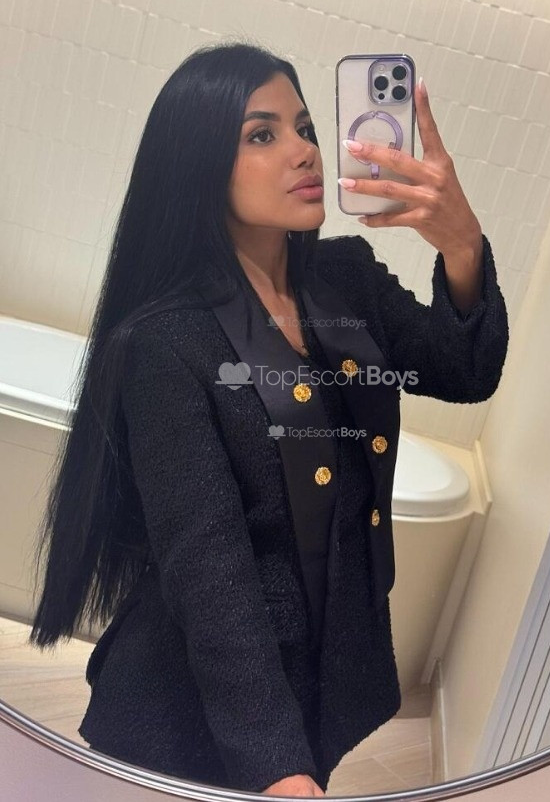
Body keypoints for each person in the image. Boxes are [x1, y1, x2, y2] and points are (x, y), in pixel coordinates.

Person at [28, 42, 509, 795]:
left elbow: (463, 371)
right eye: (262, 134)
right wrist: (277, 766)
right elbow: (208, 570)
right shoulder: (166, 343)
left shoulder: (344, 277)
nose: (303, 150)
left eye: (306, 127)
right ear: (199, 168)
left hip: (319, 678)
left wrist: (461, 245)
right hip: (188, 711)